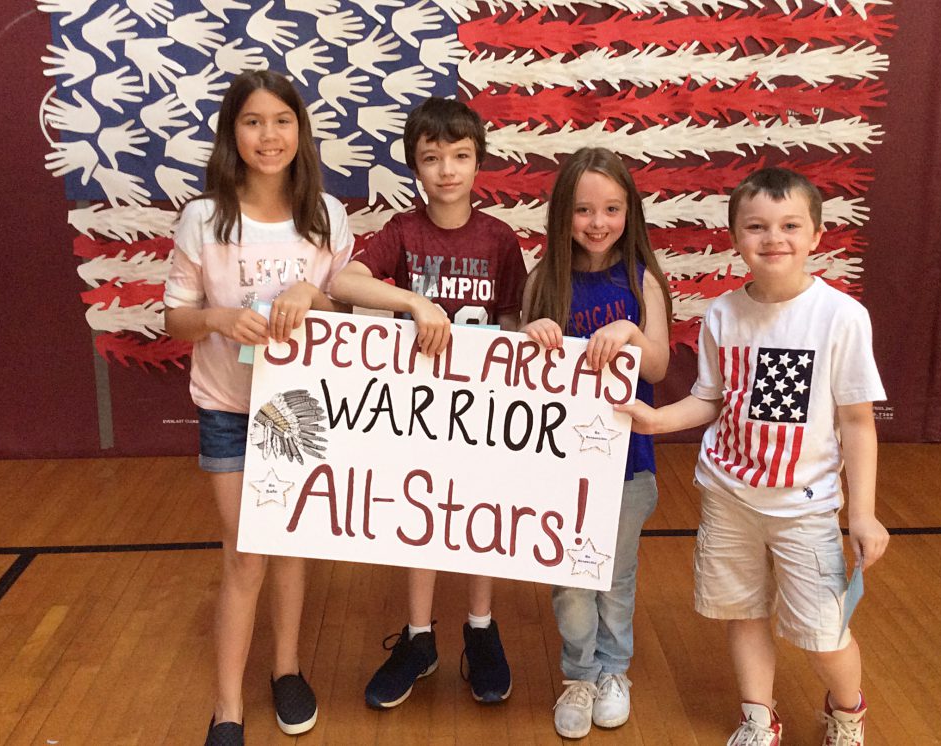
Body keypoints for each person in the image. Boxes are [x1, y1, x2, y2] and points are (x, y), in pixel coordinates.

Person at [617, 167, 889, 746]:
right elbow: (711, 399)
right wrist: (659, 419)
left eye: (791, 225)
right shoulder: (722, 315)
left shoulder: (841, 317)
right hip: (728, 497)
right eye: (757, 227)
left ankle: (846, 713)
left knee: (822, 632)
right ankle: (758, 718)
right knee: (742, 612)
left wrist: (861, 514)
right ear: (736, 237)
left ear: (817, 234)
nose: (774, 239)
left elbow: (857, 423)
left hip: (805, 508)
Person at [163, 69, 354, 746]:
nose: (268, 135)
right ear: (231, 133)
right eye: (252, 121)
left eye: (281, 120)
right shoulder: (203, 217)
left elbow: (348, 311)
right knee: (245, 550)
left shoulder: (327, 216)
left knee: (290, 541)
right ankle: (226, 707)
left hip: (301, 407)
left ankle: (286, 668)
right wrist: (218, 316)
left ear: (300, 130)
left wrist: (314, 296)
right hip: (227, 405)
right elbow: (173, 319)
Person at [328, 96, 527, 708]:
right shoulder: (403, 233)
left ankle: (480, 626)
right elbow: (342, 281)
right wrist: (416, 303)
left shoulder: (498, 238)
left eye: (460, 157)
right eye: (432, 158)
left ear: (478, 163)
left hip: (483, 409)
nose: (447, 170)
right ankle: (419, 637)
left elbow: (516, 315)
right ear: (415, 165)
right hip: (418, 410)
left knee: (479, 513)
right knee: (423, 517)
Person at [521, 147, 673, 739]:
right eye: (583, 209)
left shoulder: (642, 281)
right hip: (559, 466)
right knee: (570, 582)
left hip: (628, 465)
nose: (598, 222)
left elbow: (658, 367)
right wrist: (530, 331)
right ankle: (578, 674)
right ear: (562, 214)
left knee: (616, 577)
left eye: (611, 208)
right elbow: (511, 374)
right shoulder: (543, 280)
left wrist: (633, 331)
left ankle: (615, 671)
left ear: (630, 211)